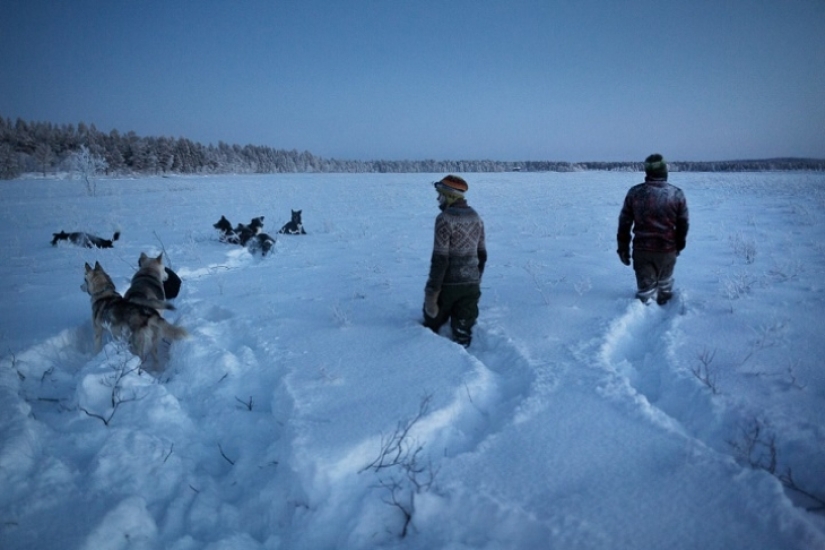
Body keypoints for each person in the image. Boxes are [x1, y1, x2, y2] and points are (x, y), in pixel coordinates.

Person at [617, 153, 689, 305]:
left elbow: (624, 222)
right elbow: (683, 223)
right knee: (664, 289)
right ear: (664, 171)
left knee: (646, 294)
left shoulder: (635, 193)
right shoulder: (676, 194)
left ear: (647, 172)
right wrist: (679, 244)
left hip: (642, 252)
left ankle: (643, 314)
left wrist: (622, 248)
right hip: (667, 251)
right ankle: (666, 312)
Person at [423, 175, 487, 347]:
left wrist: (432, 294)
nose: (438, 198)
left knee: (431, 328)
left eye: (440, 195)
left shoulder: (444, 219)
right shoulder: (475, 217)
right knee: (463, 331)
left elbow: (440, 259)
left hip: (448, 287)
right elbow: (482, 255)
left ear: (449, 196)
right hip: (471, 286)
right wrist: (474, 280)